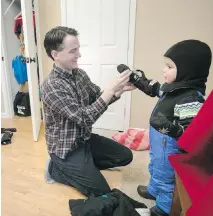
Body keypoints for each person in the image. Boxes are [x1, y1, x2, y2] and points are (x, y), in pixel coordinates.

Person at [41, 26, 135, 197]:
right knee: (103, 193)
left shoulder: (80, 74)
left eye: (78, 49)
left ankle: (83, 168)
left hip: (84, 140)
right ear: (55, 54)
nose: (79, 55)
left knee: (125, 156)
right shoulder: (52, 86)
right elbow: (84, 118)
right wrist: (109, 92)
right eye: (73, 51)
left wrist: (117, 91)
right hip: (66, 149)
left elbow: (96, 98)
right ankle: (55, 169)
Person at [135, 40, 212, 216]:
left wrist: (171, 129)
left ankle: (164, 208)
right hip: (158, 144)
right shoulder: (173, 88)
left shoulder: (190, 98)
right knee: (155, 166)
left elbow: (192, 134)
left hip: (170, 146)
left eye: (169, 66)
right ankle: (153, 190)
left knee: (166, 177)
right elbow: (155, 89)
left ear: (187, 71)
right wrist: (138, 80)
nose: (164, 70)